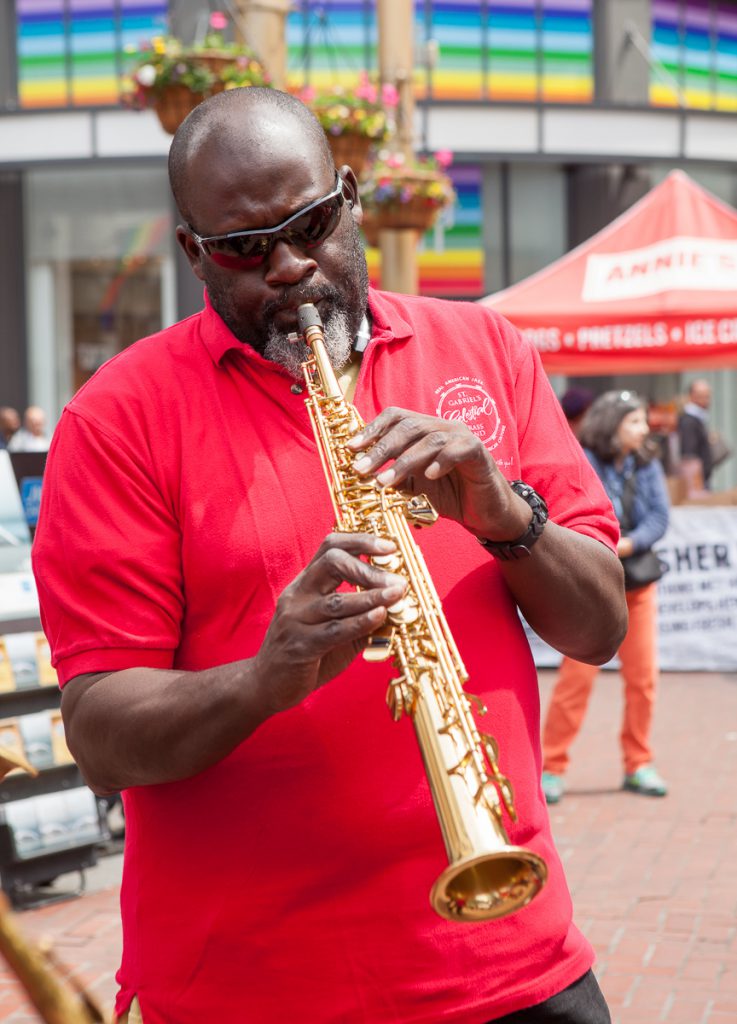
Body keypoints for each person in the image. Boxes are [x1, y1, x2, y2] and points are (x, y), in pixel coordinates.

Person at [32, 88, 627, 1024]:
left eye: (313, 223)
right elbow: (100, 736)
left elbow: (598, 629)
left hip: (510, 959)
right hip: (250, 991)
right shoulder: (116, 417)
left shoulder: (485, 348)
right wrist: (265, 678)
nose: (291, 267)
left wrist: (505, 515)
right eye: (243, 248)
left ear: (351, 197)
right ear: (192, 252)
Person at [541, 390, 670, 806]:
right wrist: (609, 543)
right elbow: (584, 510)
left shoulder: (646, 461)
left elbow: (659, 517)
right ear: (613, 424)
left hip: (637, 587)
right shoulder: (585, 458)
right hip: (593, 593)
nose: (644, 429)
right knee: (575, 683)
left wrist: (624, 544)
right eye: (635, 421)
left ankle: (639, 763)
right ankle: (552, 767)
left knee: (643, 681)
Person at [677, 379, 713, 490]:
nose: (706, 400)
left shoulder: (697, 419)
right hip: (696, 481)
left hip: (701, 478)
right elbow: (689, 456)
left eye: (707, 396)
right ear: (692, 396)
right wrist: (696, 483)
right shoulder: (689, 421)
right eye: (701, 396)